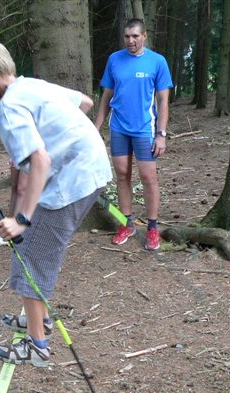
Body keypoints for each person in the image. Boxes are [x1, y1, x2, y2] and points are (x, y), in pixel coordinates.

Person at [0, 39, 112, 366]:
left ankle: (37, 346)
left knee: (32, 257)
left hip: (72, 180)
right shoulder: (31, 85)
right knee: (31, 249)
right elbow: (84, 103)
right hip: (90, 170)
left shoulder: (9, 107)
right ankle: (37, 320)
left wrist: (21, 219)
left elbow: (40, 161)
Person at [94, 18, 173, 251]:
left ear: (144, 36)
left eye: (135, 36)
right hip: (119, 127)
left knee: (148, 178)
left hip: (144, 129)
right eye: (127, 36)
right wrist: (95, 128)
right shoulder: (114, 59)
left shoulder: (157, 61)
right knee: (122, 175)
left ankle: (152, 228)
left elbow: (163, 101)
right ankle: (126, 223)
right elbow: (107, 96)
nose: (131, 40)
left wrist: (161, 134)